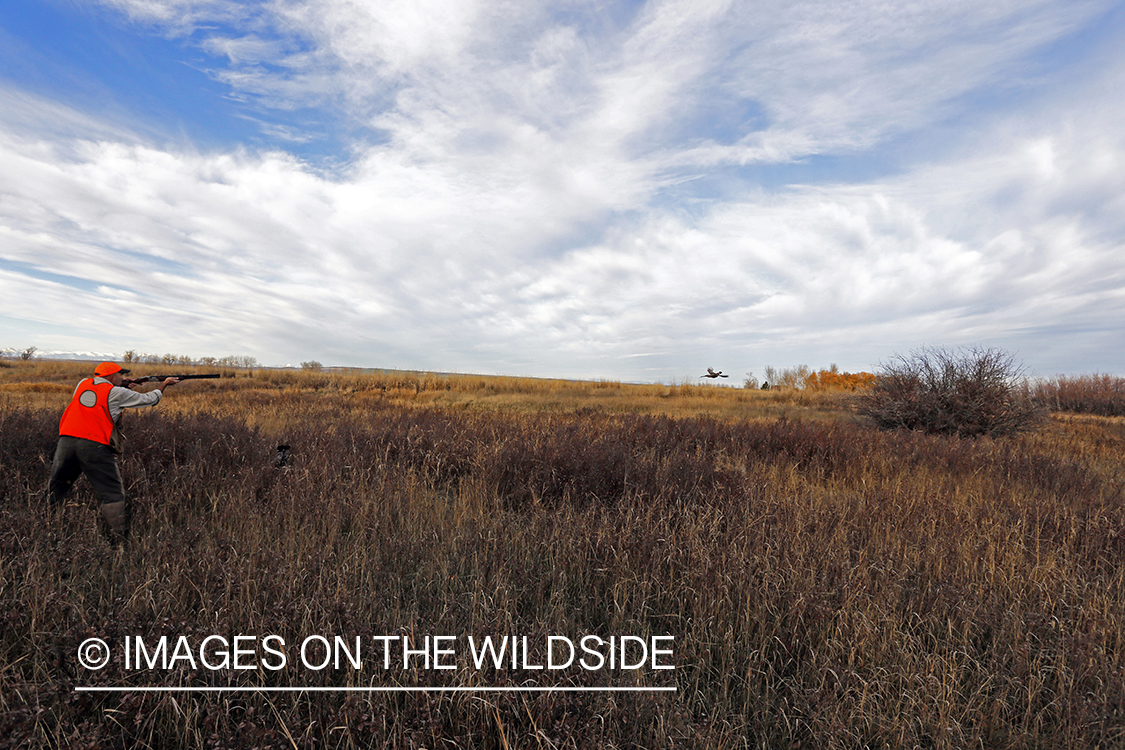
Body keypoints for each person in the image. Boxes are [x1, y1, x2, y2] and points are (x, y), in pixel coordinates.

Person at [47, 362, 179, 546]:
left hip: (66, 443)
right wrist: (164, 385)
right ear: (111, 377)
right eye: (120, 375)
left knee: (56, 487)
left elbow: (100, 391)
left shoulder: (82, 383)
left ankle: (46, 528)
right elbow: (150, 399)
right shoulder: (117, 393)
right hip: (94, 445)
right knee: (112, 494)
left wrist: (122, 384)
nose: (123, 377)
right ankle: (118, 541)